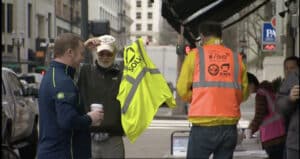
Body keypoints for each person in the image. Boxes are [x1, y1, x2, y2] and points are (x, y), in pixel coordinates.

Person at [176, 21, 248, 159]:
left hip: (203, 125)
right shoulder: (236, 58)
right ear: (220, 37)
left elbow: (181, 89)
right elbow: (243, 93)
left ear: (202, 37)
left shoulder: (195, 55)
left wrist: (196, 97)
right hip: (229, 126)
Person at [37, 33, 104, 159]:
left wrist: (81, 46)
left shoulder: (52, 75)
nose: (82, 58)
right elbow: (68, 120)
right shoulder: (63, 81)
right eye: (81, 54)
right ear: (69, 52)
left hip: (51, 151)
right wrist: (90, 118)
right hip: (64, 153)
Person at [77, 35, 125, 158]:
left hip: (113, 138)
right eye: (101, 53)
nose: (104, 57)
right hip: (88, 137)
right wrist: (82, 47)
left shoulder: (123, 75)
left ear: (114, 54)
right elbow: (64, 63)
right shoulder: (85, 71)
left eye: (108, 54)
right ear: (95, 53)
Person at [246, 73, 285, 159]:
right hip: (280, 133)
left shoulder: (260, 94)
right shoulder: (268, 89)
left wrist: (250, 130)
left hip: (271, 138)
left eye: (246, 86)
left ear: (251, 84)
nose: (245, 89)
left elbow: (259, 115)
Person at [275, 62, 299, 159]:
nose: (288, 70)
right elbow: (279, 106)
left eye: (292, 67)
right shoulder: (295, 76)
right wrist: (290, 99)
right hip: (296, 143)